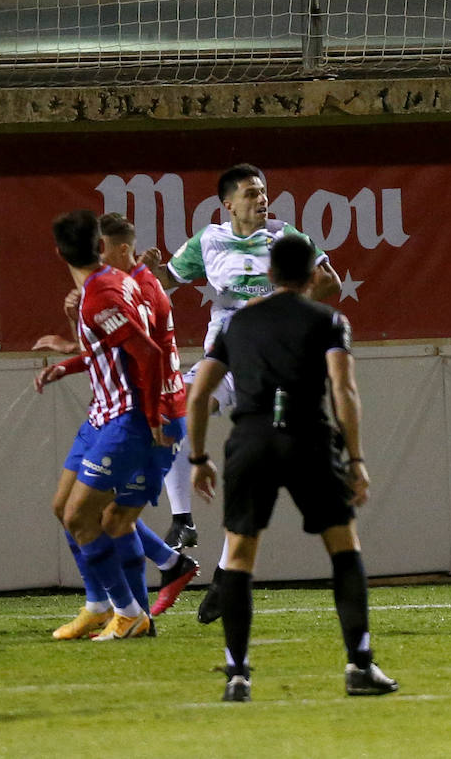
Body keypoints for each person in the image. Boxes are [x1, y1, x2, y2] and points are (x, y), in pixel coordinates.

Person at [185, 233, 397, 701]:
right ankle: (359, 665)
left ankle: (238, 675)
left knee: (239, 556)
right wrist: (357, 459)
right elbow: (344, 390)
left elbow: (198, 394)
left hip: (252, 438)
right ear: (311, 275)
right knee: (343, 548)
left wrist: (198, 457)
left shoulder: (236, 325)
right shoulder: (329, 319)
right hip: (307, 436)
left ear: (270, 273)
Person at [142, 163, 339, 621]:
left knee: (257, 476)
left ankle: (226, 572)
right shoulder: (207, 241)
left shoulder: (286, 238)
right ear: (227, 203)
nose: (261, 199)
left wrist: (275, 302)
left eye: (264, 191)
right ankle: (182, 520)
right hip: (225, 355)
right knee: (174, 417)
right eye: (251, 193)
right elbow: (166, 284)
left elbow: (329, 282)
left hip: (269, 367)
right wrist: (149, 274)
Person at [34, 214, 201, 622]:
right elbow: (112, 346)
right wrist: (72, 355)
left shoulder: (130, 287)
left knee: (110, 518)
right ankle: (117, 598)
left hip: (141, 411)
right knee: (77, 511)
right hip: (109, 410)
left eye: (107, 246)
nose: (103, 254)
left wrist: (157, 415)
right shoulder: (114, 284)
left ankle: (131, 612)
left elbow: (145, 353)